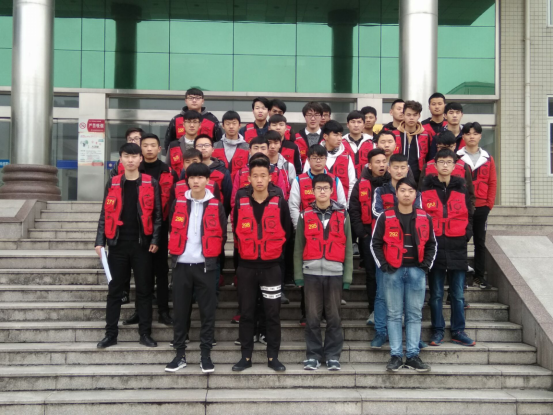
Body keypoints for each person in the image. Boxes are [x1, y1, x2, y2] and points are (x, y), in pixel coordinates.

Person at [95, 143, 162, 349]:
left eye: (134, 156)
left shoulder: (151, 182)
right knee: (114, 291)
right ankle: (110, 334)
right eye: (126, 156)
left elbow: (158, 215)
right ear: (121, 159)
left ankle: (145, 333)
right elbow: (105, 214)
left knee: (144, 290)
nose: (130, 160)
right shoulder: (113, 182)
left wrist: (155, 240)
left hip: (142, 246)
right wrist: (99, 241)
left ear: (140, 159)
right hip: (117, 245)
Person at [164, 162, 227, 373]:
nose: (196, 181)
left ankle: (205, 356)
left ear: (208, 180)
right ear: (187, 180)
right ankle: (179, 355)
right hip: (181, 265)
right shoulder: (178, 202)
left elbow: (222, 235)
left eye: (200, 177)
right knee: (180, 313)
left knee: (207, 313)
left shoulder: (216, 205)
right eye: (192, 177)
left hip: (205, 266)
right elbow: (171, 228)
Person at [231, 156, 292, 372]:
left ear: (270, 178)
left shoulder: (279, 202)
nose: (259, 180)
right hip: (246, 268)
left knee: (272, 315)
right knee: (246, 314)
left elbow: (287, 233)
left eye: (263, 176)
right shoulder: (241, 202)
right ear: (248, 178)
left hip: (271, 268)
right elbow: (236, 233)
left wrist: (275, 257)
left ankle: (273, 357)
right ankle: (245, 357)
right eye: (255, 176)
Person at [371, 178, 436, 372]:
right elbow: (375, 244)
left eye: (410, 191)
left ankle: (413, 355)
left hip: (416, 272)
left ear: (416, 194)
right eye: (403, 190)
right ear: (396, 193)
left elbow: (432, 244)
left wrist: (425, 266)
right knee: (393, 315)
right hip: (393, 272)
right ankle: (396, 356)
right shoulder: (386, 216)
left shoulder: (425, 217)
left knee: (415, 315)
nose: (406, 194)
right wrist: (384, 266)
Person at [294, 173, 353, 371]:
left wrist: (347, 276)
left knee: (334, 317)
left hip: (335, 273)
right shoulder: (305, 215)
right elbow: (298, 247)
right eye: (318, 188)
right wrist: (298, 275)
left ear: (331, 191)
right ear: (312, 191)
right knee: (312, 317)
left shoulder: (343, 215)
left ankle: (332, 355)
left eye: (325, 188)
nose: (322, 191)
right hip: (311, 273)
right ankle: (313, 355)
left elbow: (348, 248)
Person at [122, 133, 178, 328]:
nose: (149, 149)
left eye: (153, 145)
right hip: (138, 229)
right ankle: (139, 311)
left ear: (159, 149)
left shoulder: (168, 172)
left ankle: (163, 311)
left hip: (160, 228)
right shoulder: (134, 171)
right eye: (145, 145)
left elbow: (175, 201)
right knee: (141, 273)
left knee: (161, 271)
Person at [421, 149, 475, 347]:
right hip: (435, 247)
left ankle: (458, 331)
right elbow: (421, 216)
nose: (445, 165)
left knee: (458, 295)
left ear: (454, 166)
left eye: (449, 162)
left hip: (457, 246)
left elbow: (469, 214)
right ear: (435, 165)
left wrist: (466, 235)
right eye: (441, 162)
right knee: (436, 294)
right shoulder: (426, 188)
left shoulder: (461, 188)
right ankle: (437, 331)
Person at [349, 148, 390, 326]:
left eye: (384, 162)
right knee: (371, 274)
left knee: (390, 273)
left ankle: (392, 310)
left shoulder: (393, 182)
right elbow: (354, 209)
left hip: (391, 237)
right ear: (369, 165)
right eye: (377, 162)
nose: (381, 165)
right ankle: (373, 310)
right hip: (368, 236)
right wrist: (362, 233)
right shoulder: (361, 184)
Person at [457, 122, 497, 289]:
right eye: (468, 133)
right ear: (463, 136)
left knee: (480, 242)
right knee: (461, 241)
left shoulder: (488, 158)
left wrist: (489, 205)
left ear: (480, 136)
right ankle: (462, 277)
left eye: (475, 133)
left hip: (481, 206)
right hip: (462, 207)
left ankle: (479, 277)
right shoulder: (457, 157)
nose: (471, 136)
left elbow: (492, 182)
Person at [289, 145, 347, 229]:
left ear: (326, 159)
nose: (318, 161)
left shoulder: (335, 180)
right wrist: (299, 228)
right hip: (307, 226)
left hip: (332, 227)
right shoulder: (299, 180)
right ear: (308, 160)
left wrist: (339, 226)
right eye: (315, 158)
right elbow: (293, 206)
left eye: (321, 158)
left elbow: (342, 205)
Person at [418, 130, 475, 208]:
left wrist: (470, 210)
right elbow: (420, 191)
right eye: (442, 147)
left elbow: (470, 193)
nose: (445, 151)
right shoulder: (428, 166)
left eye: (448, 147)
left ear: (454, 146)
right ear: (437, 146)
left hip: (457, 210)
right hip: (432, 209)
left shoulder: (463, 166)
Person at [304, 120, 356, 202]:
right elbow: (306, 179)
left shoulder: (346, 157)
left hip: (340, 204)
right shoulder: (313, 156)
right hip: (316, 204)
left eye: (341, 135)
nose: (339, 139)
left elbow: (351, 184)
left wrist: (347, 205)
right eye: (335, 135)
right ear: (325, 136)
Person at [230, 137, 288, 210]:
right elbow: (234, 201)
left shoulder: (276, 172)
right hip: (245, 212)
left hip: (272, 211)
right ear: (249, 151)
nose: (259, 151)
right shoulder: (241, 173)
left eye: (263, 148)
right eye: (256, 148)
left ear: (268, 151)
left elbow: (283, 196)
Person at [164, 87, 221, 152]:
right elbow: (168, 143)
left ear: (202, 101)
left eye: (198, 98)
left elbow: (219, 142)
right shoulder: (176, 120)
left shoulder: (212, 120)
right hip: (181, 157)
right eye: (191, 98)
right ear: (186, 101)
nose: (194, 100)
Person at [392, 101, 430, 183]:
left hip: (419, 179)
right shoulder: (394, 135)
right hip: (397, 177)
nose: (411, 118)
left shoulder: (426, 135)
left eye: (415, 115)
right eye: (408, 115)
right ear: (403, 115)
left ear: (419, 116)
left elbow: (429, 157)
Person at [195, 135, 233, 216]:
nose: (203, 148)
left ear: (213, 149)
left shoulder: (223, 171)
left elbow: (227, 196)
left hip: (215, 214)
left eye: (206, 145)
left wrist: (222, 215)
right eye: (200, 146)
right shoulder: (188, 169)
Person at [212, 111, 250, 181]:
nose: (231, 126)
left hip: (241, 185)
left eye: (234, 123)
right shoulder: (214, 147)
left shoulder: (248, 148)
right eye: (228, 124)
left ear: (239, 125)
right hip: (219, 185)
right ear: (223, 126)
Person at [167, 111, 202, 177]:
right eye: (188, 122)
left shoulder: (204, 145)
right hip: (178, 182)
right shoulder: (173, 145)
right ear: (183, 124)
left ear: (200, 124)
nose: (192, 125)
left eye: (195, 122)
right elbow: (168, 167)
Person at [342, 110, 376, 177]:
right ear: (347, 125)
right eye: (353, 122)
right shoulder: (341, 143)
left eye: (359, 122)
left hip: (367, 180)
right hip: (346, 180)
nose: (356, 125)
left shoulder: (372, 143)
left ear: (364, 125)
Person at [266, 130, 295, 198]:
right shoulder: (258, 165)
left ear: (280, 144)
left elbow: (293, 190)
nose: (272, 146)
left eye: (276, 143)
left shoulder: (288, 166)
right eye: (269, 143)